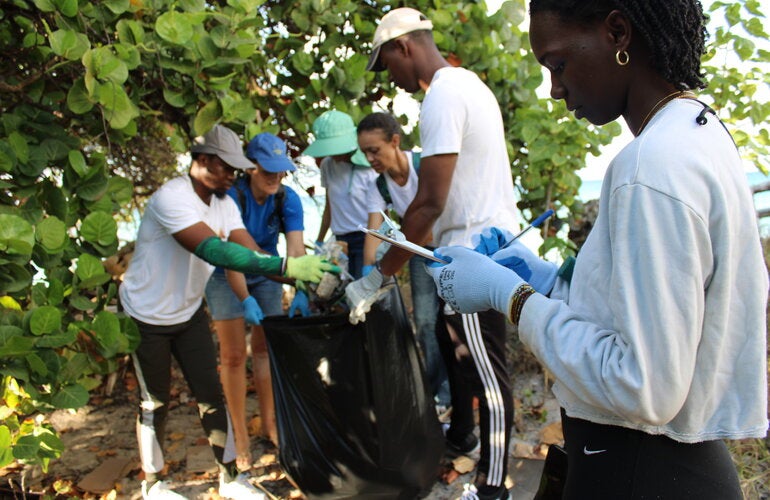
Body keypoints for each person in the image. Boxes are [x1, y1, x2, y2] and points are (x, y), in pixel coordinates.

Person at [426, 1, 769, 498]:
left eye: (558, 65)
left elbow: (643, 386)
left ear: (617, 33)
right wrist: (549, 279)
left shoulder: (649, 168)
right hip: (679, 466)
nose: (555, 89)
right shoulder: (697, 131)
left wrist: (512, 297)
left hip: (639, 469)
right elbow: (652, 311)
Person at [345, 8, 520, 499]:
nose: (391, 80)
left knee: (489, 375)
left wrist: (380, 275)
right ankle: (469, 448)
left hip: (474, 255)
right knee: (466, 359)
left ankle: (493, 487)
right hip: (469, 252)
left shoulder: (442, 94)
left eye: (388, 66)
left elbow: (429, 203)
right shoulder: (468, 85)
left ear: (404, 48)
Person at [119, 124, 337, 500]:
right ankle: (153, 483)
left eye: (236, 169)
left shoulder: (224, 203)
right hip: (146, 316)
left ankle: (231, 477)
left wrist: (298, 279)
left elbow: (248, 249)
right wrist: (286, 267)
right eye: (227, 168)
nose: (233, 176)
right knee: (154, 401)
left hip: (187, 314)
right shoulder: (172, 199)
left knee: (210, 395)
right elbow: (214, 251)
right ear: (203, 162)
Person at [204, 132, 308, 470]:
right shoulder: (231, 198)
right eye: (268, 172)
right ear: (250, 168)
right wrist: (244, 298)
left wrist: (302, 288)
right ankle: (240, 435)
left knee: (265, 351)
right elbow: (233, 255)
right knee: (234, 356)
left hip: (268, 274)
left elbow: (295, 252)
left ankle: (270, 425)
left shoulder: (287, 199)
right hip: (225, 274)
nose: (275, 179)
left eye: (281, 172)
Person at [357, 111, 451, 414]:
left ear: (395, 141)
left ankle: (465, 388)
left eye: (374, 150)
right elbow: (374, 229)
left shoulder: (426, 165)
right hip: (418, 255)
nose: (370, 158)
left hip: (452, 252)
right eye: (365, 152)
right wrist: (369, 270)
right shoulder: (379, 185)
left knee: (455, 323)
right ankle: (441, 394)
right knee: (424, 322)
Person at [303, 110, 376, 279]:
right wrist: (320, 241)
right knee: (333, 294)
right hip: (339, 241)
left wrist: (373, 253)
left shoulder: (371, 167)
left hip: (367, 239)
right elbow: (330, 206)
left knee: (362, 295)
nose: (332, 154)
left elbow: (381, 213)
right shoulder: (327, 166)